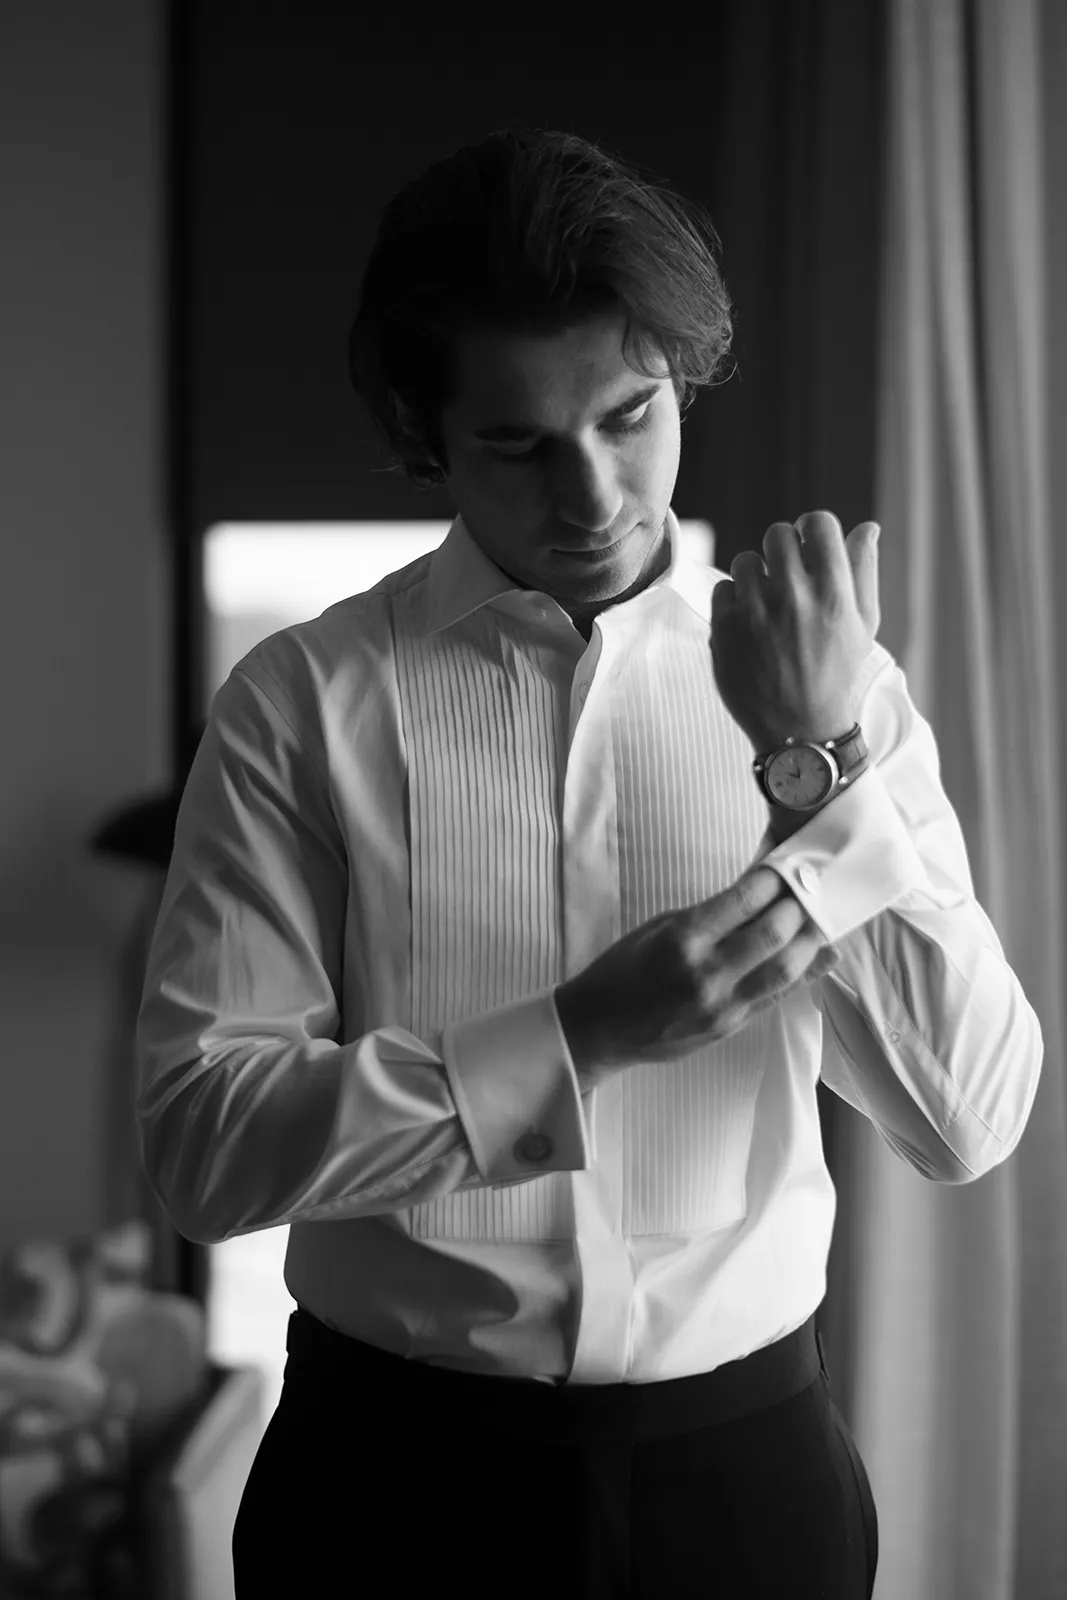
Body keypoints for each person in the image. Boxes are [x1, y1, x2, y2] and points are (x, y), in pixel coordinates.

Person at [135, 127, 1043, 1599]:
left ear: (680, 381)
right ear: (430, 437)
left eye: (631, 415)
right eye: (518, 444)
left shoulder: (832, 687)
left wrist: (815, 759)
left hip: (747, 1483)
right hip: (388, 1485)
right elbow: (202, 1147)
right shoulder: (301, 704)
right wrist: (576, 1039)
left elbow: (969, 1117)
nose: (594, 494)